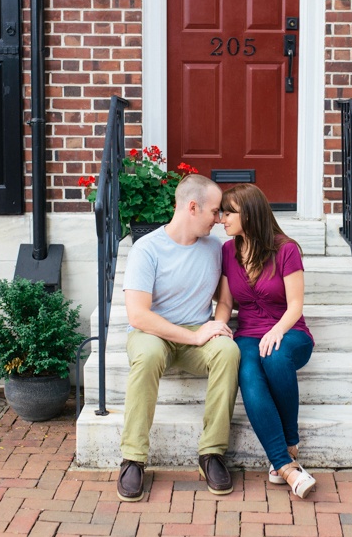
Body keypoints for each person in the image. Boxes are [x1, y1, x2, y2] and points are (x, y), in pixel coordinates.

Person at [117, 173, 239, 502]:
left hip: (195, 332)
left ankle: (211, 453)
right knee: (149, 355)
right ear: (193, 207)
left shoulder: (217, 248)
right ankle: (133, 458)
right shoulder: (147, 249)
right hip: (151, 333)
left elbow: (224, 300)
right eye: (215, 212)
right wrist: (196, 337)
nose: (219, 219)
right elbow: (138, 315)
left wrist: (217, 325)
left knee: (228, 351)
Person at [213, 184, 316, 499]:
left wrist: (277, 331)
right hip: (247, 332)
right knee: (247, 370)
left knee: (274, 356)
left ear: (250, 212)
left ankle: (289, 441)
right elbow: (227, 304)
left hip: (289, 330)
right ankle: (286, 465)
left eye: (229, 212)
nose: (222, 219)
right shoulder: (228, 250)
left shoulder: (286, 249)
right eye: (221, 212)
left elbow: (295, 305)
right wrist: (217, 327)